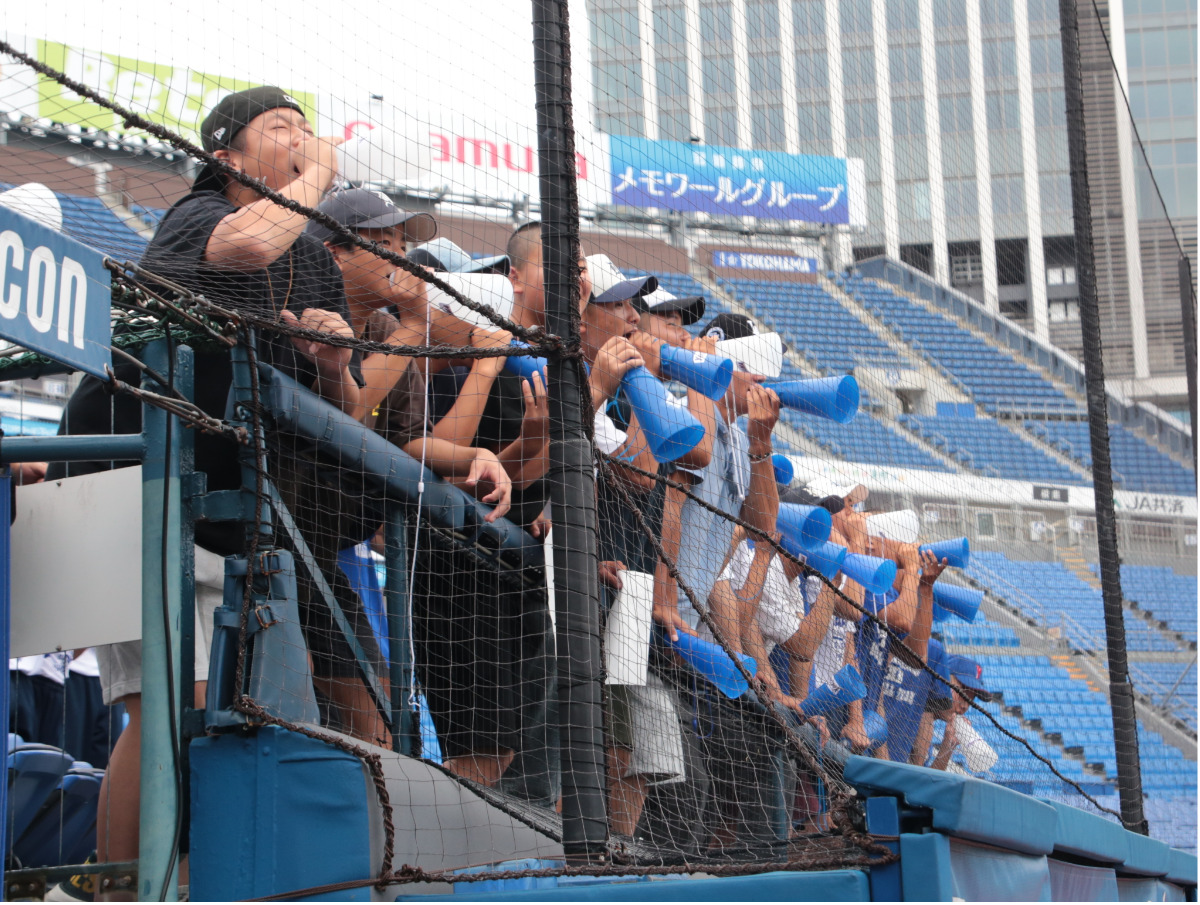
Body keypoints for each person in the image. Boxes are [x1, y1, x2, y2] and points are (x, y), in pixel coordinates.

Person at [45, 85, 371, 877]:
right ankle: (122, 890)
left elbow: (351, 412)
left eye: (306, 127)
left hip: (227, 512)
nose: (300, 137)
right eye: (279, 128)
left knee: (236, 711)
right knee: (167, 707)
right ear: (226, 156)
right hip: (125, 484)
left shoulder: (310, 260)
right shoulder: (200, 213)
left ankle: (197, 880)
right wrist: (322, 171)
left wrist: (333, 365)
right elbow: (244, 248)